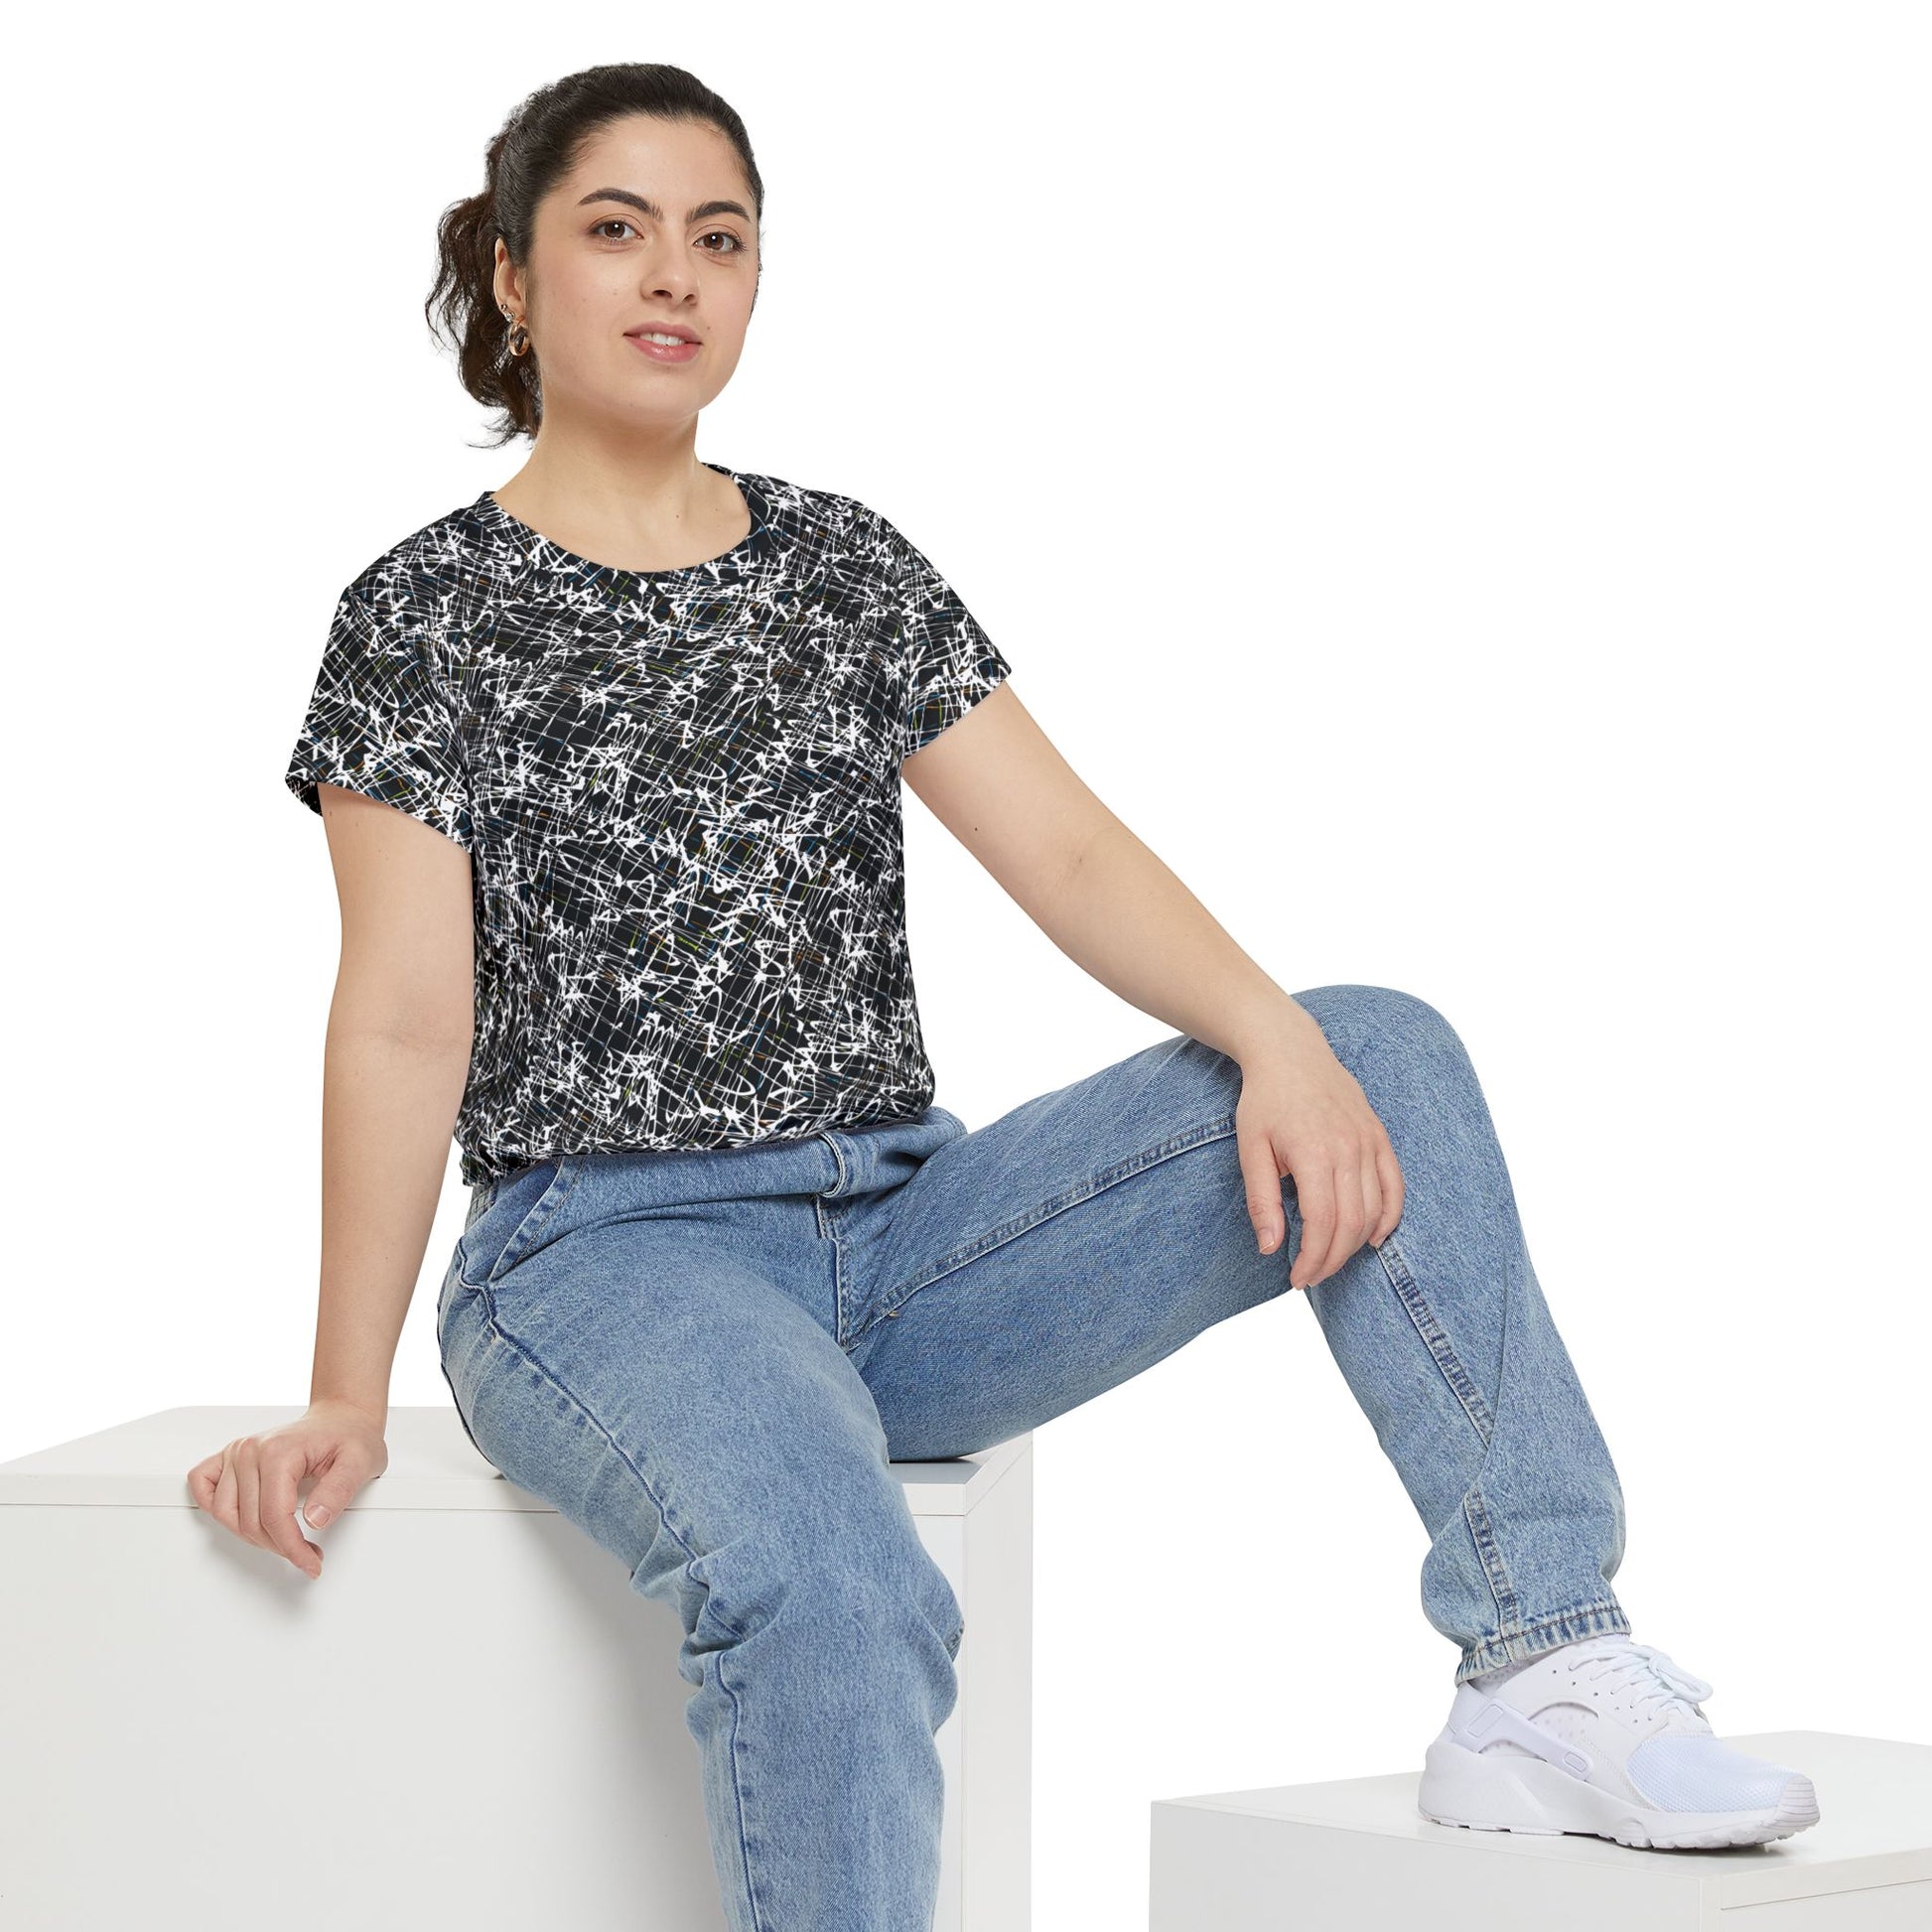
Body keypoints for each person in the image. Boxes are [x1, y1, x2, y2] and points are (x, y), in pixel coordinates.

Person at [188, 60, 1819, 1930]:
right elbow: (405, 1019)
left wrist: (1275, 1040)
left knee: (1373, 1045)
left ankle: (1541, 1660)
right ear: (510, 270)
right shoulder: (422, 612)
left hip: (901, 1242)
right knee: (838, 1580)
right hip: (607, 1259)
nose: (675, 276)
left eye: (721, 238)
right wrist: (345, 1390)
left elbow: (1069, 857)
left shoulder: (842, 565)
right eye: (616, 230)